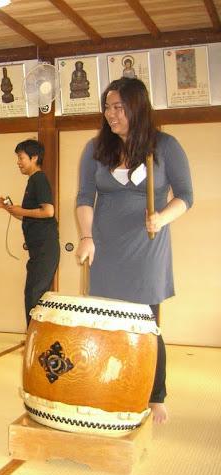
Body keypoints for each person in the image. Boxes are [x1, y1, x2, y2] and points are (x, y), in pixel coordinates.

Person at [75, 77, 193, 424]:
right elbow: (84, 198)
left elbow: (186, 195)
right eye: (107, 107)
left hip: (147, 247)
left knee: (145, 324)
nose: (111, 114)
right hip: (105, 248)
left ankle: (155, 395)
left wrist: (162, 218)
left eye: (118, 107)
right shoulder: (95, 148)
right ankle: (106, 386)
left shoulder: (165, 146)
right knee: (105, 324)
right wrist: (85, 236)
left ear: (137, 107)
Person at [0, 139, 59, 328]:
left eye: (21, 158)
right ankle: (34, 336)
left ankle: (33, 336)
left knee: (34, 293)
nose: (18, 162)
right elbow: (29, 217)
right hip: (38, 250)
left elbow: (48, 211)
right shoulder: (33, 180)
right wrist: (8, 208)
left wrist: (20, 210)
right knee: (33, 292)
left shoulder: (39, 178)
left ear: (34, 158)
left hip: (45, 248)